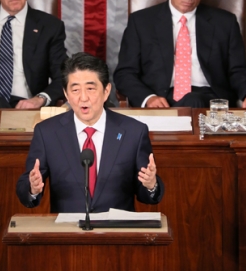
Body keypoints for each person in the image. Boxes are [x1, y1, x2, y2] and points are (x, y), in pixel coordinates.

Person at [16, 52, 164, 213]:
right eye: (75, 90)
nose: (83, 97)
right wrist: (33, 188)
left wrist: (151, 185)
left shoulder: (134, 132)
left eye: (90, 88)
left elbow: (148, 196)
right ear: (65, 93)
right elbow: (26, 190)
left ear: (106, 91)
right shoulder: (47, 133)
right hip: (67, 233)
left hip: (117, 233)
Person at [114, 0, 246, 109]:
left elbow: (238, 70)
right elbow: (125, 74)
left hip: (212, 101)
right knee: (191, 101)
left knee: (194, 100)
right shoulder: (141, 22)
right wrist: (148, 98)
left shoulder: (225, 23)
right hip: (162, 101)